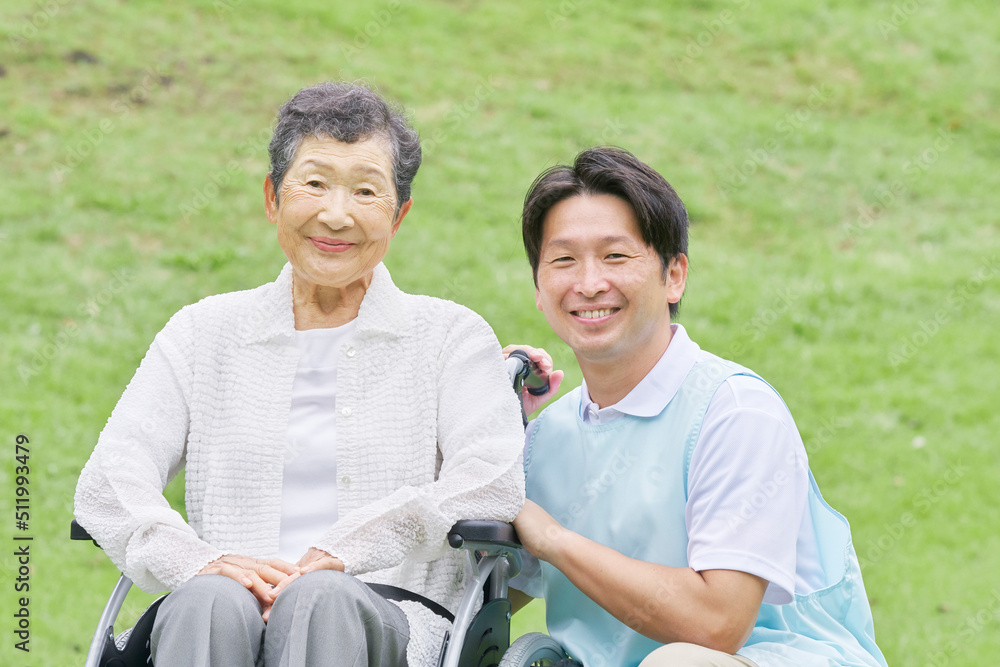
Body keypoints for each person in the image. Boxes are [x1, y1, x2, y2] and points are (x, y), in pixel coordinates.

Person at [74, 81, 526, 667]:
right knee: (208, 600)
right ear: (272, 198)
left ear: (399, 214)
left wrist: (343, 552)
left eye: (366, 191)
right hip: (215, 615)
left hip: (386, 620)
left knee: (321, 601)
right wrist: (194, 560)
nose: (335, 215)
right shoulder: (201, 332)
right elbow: (108, 480)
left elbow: (491, 482)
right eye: (314, 183)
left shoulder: (450, 338)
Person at [505, 146, 888, 667]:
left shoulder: (734, 412)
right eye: (564, 259)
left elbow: (716, 625)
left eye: (616, 256)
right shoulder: (545, 436)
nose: (589, 282)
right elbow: (475, 602)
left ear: (674, 275)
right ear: (538, 287)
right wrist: (487, 429)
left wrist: (553, 539)